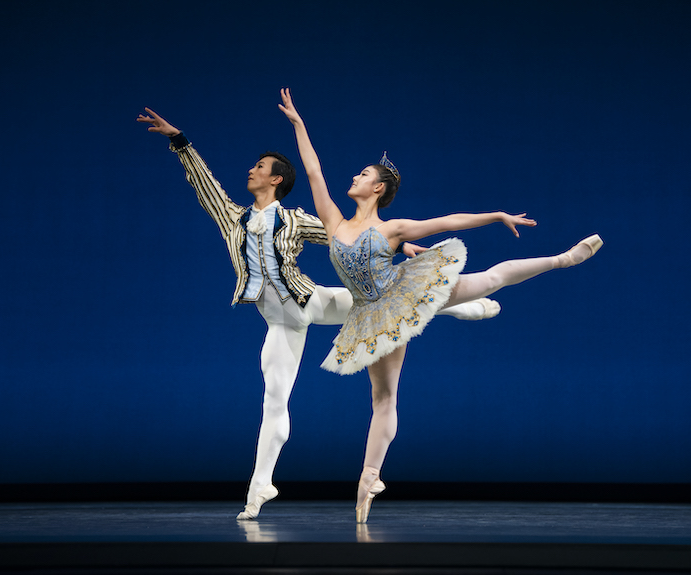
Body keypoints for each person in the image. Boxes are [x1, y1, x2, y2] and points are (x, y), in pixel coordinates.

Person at [136, 107, 502, 520]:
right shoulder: (233, 219)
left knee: (384, 301)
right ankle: (260, 487)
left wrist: (400, 245)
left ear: (276, 179)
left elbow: (353, 237)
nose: (250, 171)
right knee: (274, 400)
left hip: (314, 301)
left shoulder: (295, 221)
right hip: (280, 322)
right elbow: (205, 185)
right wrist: (178, 139)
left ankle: (458, 306)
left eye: (259, 167)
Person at [278, 88, 603, 523]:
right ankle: (369, 478)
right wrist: (299, 125)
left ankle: (564, 258)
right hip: (370, 314)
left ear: (377, 187)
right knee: (383, 397)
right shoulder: (334, 221)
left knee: (489, 279)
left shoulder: (394, 228)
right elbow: (314, 171)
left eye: (362, 175)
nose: (353, 178)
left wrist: (496, 216)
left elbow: (448, 221)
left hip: (403, 290)